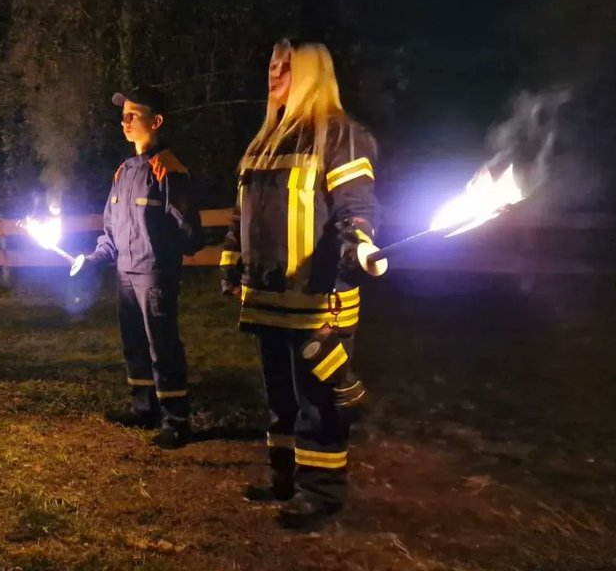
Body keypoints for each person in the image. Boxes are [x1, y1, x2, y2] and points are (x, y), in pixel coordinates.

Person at [220, 40, 388, 530]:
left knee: (320, 398)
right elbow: (241, 215)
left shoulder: (341, 136)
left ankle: (322, 491)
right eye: (271, 65)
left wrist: (358, 245)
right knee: (281, 396)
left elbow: (357, 207)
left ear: (313, 73)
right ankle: (287, 477)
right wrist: (233, 266)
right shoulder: (265, 140)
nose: (274, 73)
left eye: (286, 67)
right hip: (270, 298)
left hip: (319, 299)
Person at [74, 87, 204, 449]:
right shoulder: (124, 172)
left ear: (156, 121)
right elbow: (111, 232)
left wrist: (174, 187)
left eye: (134, 114)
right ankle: (144, 408)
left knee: (162, 345)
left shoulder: (167, 169)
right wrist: (93, 259)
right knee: (134, 342)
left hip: (155, 275)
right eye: (123, 114)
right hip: (126, 275)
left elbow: (192, 234)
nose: (125, 120)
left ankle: (176, 420)